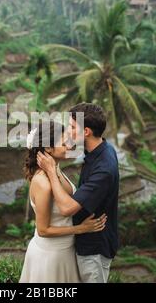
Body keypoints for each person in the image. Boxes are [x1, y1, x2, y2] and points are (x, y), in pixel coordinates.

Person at [37, 103, 119, 283]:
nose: (68, 131)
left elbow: (67, 208)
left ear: (87, 132)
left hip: (94, 248)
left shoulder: (103, 169)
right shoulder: (102, 149)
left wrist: (51, 171)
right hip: (83, 243)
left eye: (73, 127)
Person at [19, 120, 107, 283]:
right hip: (49, 257)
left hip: (65, 250)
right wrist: (81, 228)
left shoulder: (54, 168)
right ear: (47, 148)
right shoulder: (43, 183)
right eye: (64, 141)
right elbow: (43, 230)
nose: (70, 145)